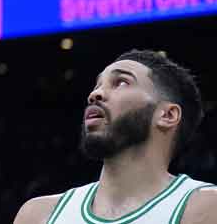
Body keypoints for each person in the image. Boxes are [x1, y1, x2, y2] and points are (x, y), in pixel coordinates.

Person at [13, 50, 216, 224]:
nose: (95, 94)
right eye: (97, 85)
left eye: (120, 82)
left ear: (167, 115)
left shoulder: (205, 208)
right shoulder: (38, 215)